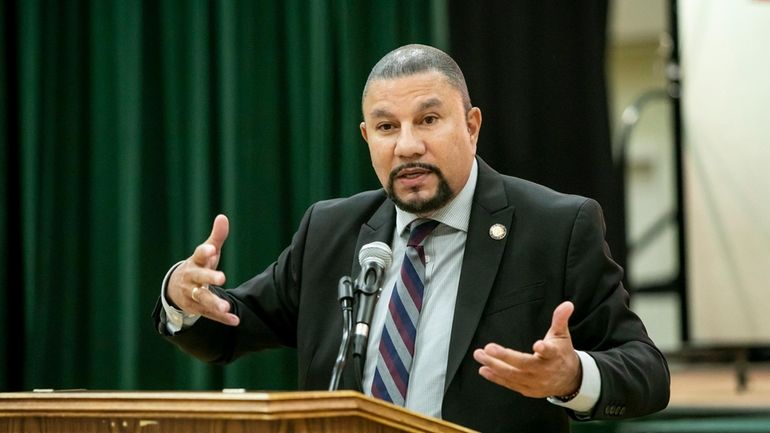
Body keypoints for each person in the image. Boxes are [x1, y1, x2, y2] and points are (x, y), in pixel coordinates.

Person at [153, 44, 670, 432]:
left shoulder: (556, 226)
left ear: (471, 125)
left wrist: (574, 376)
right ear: (366, 137)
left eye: (428, 119)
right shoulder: (331, 230)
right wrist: (183, 297)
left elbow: (647, 371)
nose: (407, 145)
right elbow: (233, 326)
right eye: (386, 127)